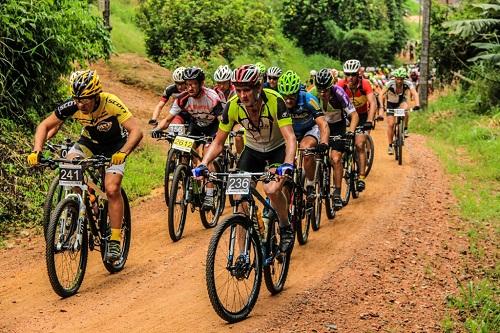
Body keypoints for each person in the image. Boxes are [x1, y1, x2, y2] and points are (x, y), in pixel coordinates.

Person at [27, 70, 143, 261]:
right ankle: (83, 200)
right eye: (77, 99)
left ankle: (114, 241)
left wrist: (123, 153)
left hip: (115, 147)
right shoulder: (73, 105)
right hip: (88, 143)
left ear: (96, 95)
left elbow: (136, 131)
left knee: (112, 189)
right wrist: (36, 151)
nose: (81, 104)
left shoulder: (111, 102)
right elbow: (45, 126)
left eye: (86, 99)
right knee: (69, 164)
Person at [193, 64, 297, 252]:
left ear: (258, 87)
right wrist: (203, 163)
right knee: (240, 199)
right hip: (252, 151)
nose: (243, 95)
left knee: (271, 189)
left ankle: (284, 225)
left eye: (247, 90)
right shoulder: (233, 105)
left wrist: (288, 163)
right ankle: (242, 255)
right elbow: (218, 142)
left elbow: (290, 137)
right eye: (239, 90)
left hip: (276, 149)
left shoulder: (275, 100)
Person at [152, 67, 223, 209]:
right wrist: (157, 129)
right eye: (187, 84)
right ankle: (190, 185)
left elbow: (222, 121)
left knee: (206, 158)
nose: (189, 87)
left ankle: (209, 194)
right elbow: (167, 120)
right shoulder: (182, 98)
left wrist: (222, 138)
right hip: (195, 126)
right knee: (186, 152)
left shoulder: (212, 97)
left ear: (201, 84)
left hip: (212, 128)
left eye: (193, 84)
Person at [277, 70, 329, 199]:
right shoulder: (277, 100)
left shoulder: (309, 98)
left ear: (298, 92)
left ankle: (310, 185)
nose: (288, 100)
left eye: (292, 96)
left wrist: (324, 142)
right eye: (285, 96)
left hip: (309, 129)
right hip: (290, 132)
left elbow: (323, 123)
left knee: (306, 149)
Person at [314, 69, 359, 209]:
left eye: (325, 90)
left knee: (336, 158)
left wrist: (351, 132)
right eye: (319, 90)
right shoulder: (311, 94)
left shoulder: (339, 92)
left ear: (331, 87)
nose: (322, 93)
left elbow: (354, 115)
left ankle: (337, 193)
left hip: (338, 127)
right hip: (320, 127)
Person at [337, 59, 377, 192]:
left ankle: (361, 177)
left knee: (360, 145)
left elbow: (372, 103)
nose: (350, 78)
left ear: (358, 74)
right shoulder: (340, 84)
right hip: (346, 118)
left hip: (362, 117)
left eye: (353, 74)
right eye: (347, 74)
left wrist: (370, 121)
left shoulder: (365, 84)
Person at [378, 68, 420, 155]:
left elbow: (415, 93)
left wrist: (417, 104)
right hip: (391, 103)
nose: (399, 81)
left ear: (404, 79)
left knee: (405, 110)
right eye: (397, 78)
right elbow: (381, 94)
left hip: (401, 101)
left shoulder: (408, 83)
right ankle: (390, 145)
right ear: (395, 78)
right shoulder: (389, 83)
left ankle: (405, 129)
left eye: (401, 79)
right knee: (391, 124)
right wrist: (382, 106)